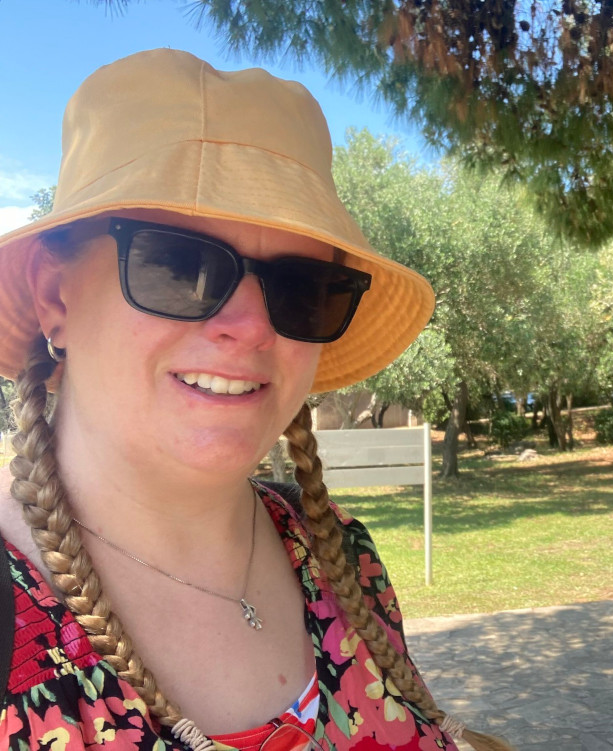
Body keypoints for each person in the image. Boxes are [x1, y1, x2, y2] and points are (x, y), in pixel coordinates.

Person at [0, 49, 513, 751]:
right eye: (179, 264)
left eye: (301, 287)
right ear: (55, 295)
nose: (252, 327)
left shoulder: (342, 558)